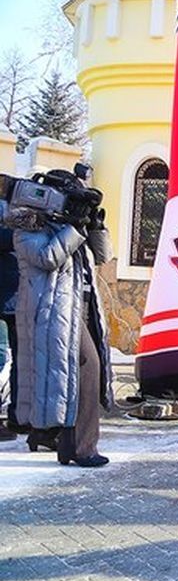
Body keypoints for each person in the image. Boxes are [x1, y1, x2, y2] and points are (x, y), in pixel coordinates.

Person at [9, 173, 113, 466]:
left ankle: (67, 447)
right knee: (84, 371)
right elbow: (46, 257)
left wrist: (95, 224)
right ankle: (83, 448)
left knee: (70, 378)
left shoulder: (67, 224)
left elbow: (103, 255)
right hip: (52, 310)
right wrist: (73, 227)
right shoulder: (26, 223)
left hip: (81, 307)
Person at [0, 199, 19, 440]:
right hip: (10, 300)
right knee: (3, 357)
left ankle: (17, 416)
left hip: (15, 301)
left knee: (18, 361)